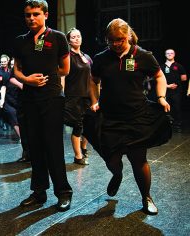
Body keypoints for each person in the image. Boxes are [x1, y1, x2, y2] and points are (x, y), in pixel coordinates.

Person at [87, 18, 171, 215]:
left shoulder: (143, 56)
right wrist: (94, 100)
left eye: (120, 40)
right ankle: (117, 174)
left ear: (128, 37)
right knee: (112, 160)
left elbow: (159, 76)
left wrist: (161, 97)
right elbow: (93, 81)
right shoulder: (101, 58)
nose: (115, 44)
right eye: (111, 40)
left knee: (138, 159)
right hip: (110, 117)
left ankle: (146, 197)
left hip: (136, 116)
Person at [13, 0, 72, 211]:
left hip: (52, 99)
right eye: (28, 15)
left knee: (53, 147)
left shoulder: (57, 38)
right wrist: (26, 79)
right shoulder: (20, 40)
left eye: (36, 14)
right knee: (34, 148)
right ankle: (39, 193)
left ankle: (64, 192)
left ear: (45, 15)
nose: (31, 18)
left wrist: (47, 75)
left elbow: (65, 69)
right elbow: (16, 69)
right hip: (29, 99)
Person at [62, 28, 92, 165]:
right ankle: (78, 156)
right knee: (78, 126)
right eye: (73, 37)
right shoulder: (67, 56)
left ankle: (84, 148)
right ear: (69, 41)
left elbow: (92, 77)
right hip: (73, 97)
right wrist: (61, 94)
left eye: (78, 36)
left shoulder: (86, 57)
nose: (76, 39)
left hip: (87, 96)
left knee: (89, 125)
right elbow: (62, 76)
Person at [162, 49, 187, 132]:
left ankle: (178, 125)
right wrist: (167, 86)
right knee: (166, 108)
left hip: (176, 91)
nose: (169, 54)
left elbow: (184, 78)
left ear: (174, 54)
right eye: (167, 53)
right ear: (165, 55)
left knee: (177, 108)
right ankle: (167, 125)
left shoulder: (178, 66)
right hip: (165, 91)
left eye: (171, 53)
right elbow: (157, 79)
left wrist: (176, 83)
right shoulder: (161, 67)